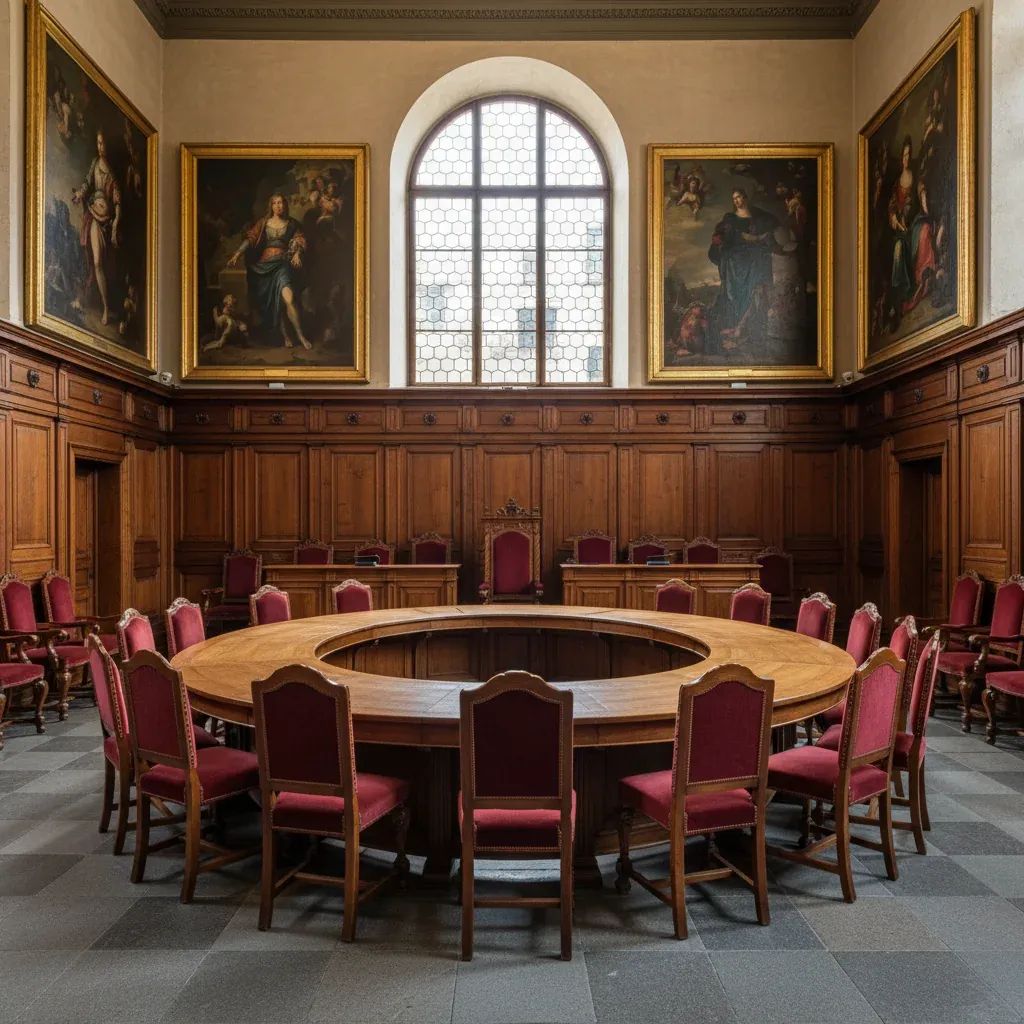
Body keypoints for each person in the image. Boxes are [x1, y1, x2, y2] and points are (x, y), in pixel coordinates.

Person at [226, 193, 311, 349]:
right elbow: (250, 239)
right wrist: (237, 254)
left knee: (289, 298)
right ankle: (285, 335)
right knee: (275, 304)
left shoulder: (292, 223)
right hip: (264, 267)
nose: (278, 206)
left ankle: (300, 335)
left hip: (282, 264)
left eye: (281, 203)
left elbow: (300, 239)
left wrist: (298, 253)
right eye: (275, 203)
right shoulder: (264, 223)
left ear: (285, 205)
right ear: (271, 206)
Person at [706, 189, 778, 352]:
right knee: (734, 295)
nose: (736, 200)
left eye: (738, 197)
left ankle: (748, 331)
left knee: (753, 294)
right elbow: (721, 237)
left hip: (752, 262)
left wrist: (758, 240)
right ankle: (735, 328)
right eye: (734, 198)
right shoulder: (729, 219)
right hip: (734, 263)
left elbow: (767, 233)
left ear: (745, 197)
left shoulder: (757, 217)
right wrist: (720, 241)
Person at [72, 131, 121, 326]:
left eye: (103, 143)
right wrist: (79, 194)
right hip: (93, 215)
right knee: (97, 261)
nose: (100, 147)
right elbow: (86, 183)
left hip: (106, 221)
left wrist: (116, 225)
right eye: (98, 143)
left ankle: (107, 306)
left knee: (104, 264)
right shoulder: (94, 164)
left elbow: (118, 204)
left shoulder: (113, 175)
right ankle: (104, 306)